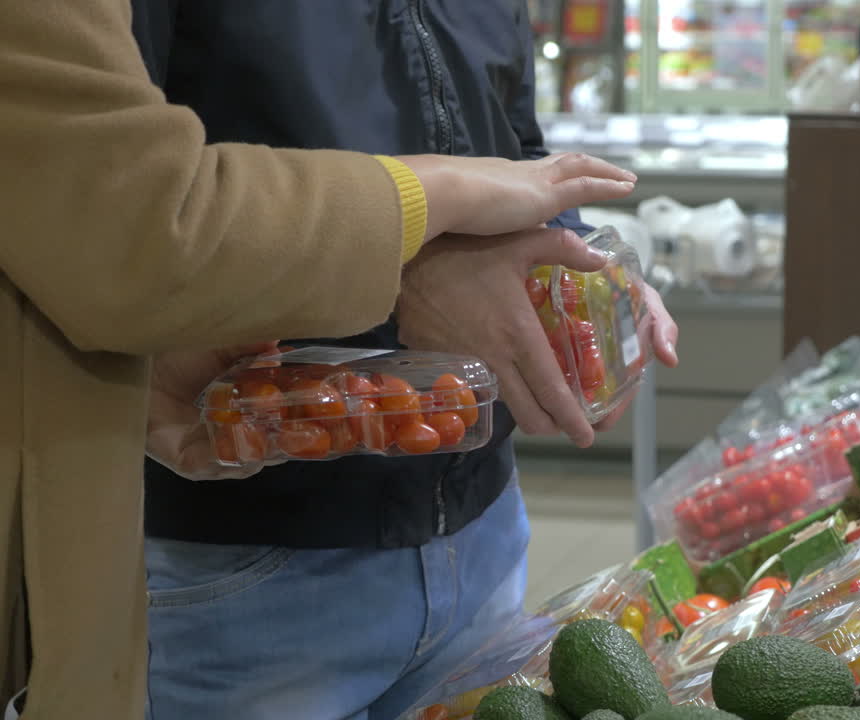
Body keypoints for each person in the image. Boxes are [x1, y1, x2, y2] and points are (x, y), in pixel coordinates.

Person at [0, 1, 639, 718]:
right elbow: (111, 207)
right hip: (241, 560)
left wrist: (571, 260)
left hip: (482, 523)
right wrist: (413, 258)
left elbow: (510, 141)